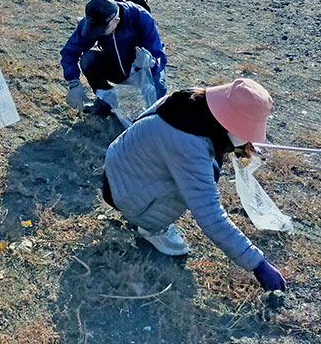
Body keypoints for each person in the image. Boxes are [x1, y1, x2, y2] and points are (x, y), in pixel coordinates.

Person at [102, 77, 286, 293]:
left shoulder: (189, 102)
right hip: (126, 192)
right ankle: (151, 227)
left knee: (209, 169)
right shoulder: (188, 145)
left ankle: (148, 215)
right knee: (198, 184)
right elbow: (210, 215)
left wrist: (235, 148)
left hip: (119, 169)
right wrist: (259, 265)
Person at [62, 0, 168, 116]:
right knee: (87, 59)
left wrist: (150, 62)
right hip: (115, 68)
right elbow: (70, 51)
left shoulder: (140, 17)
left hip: (141, 72)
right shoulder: (93, 20)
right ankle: (106, 102)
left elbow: (159, 54)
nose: (97, 33)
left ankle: (153, 115)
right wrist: (73, 83)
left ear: (116, 20)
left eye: (101, 30)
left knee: (158, 87)